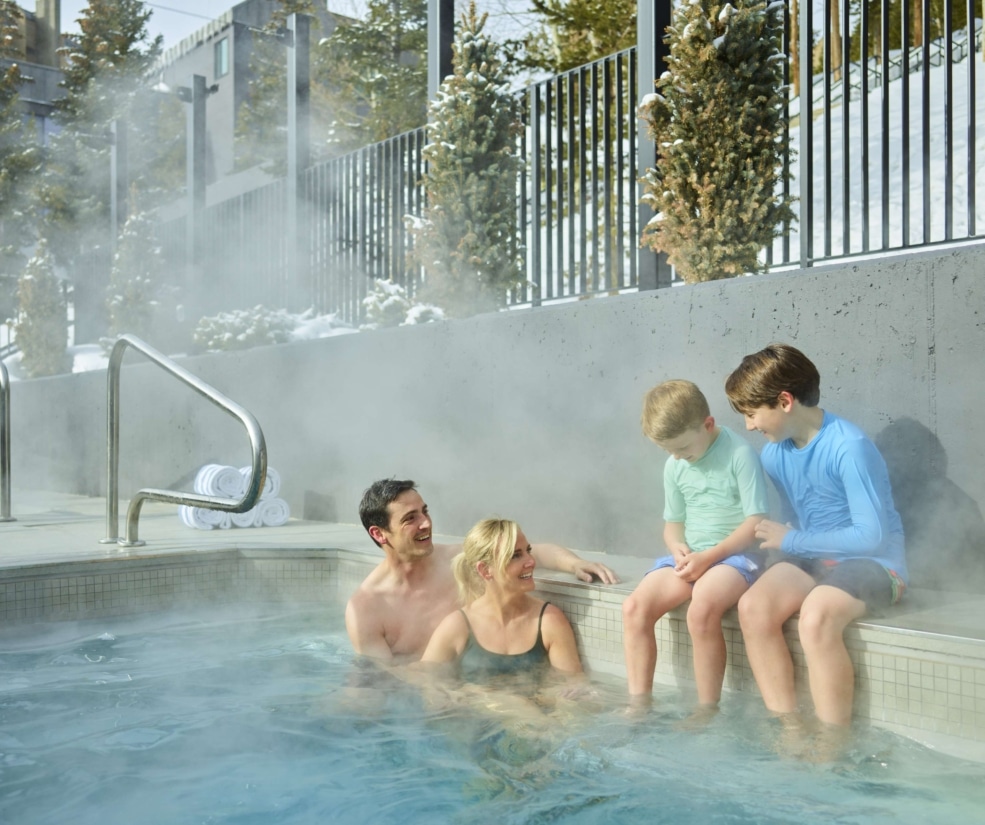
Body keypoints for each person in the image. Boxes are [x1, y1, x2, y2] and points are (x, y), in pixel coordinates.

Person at [724, 343, 907, 727]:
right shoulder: (774, 455)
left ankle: (831, 741)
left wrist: (790, 541)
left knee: (815, 617)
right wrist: (787, 543)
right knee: (752, 608)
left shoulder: (848, 447)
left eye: (753, 413)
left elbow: (871, 536)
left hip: (875, 564)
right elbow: (796, 519)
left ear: (785, 401)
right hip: (815, 558)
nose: (749, 426)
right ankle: (789, 728)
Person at [345, 479, 618, 660]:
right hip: (432, 706)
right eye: (410, 519)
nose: (426, 523)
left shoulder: (453, 560)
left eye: (424, 512)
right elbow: (384, 682)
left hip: (483, 681)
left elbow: (533, 550)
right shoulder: (367, 609)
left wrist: (575, 564)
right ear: (380, 534)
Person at [622, 380, 769, 707]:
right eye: (669, 451)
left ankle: (706, 708)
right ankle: (638, 703)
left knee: (701, 609)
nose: (678, 457)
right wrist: (677, 546)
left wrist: (709, 557)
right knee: (633, 608)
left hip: (736, 556)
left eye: (684, 448)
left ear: (708, 424)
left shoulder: (739, 454)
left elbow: (756, 522)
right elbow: (673, 524)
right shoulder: (675, 464)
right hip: (693, 558)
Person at [421, 518, 583, 679]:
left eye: (528, 551)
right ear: (485, 570)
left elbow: (573, 687)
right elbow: (426, 685)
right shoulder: (457, 626)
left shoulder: (549, 620)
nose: (531, 562)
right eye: (515, 556)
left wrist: (576, 563)